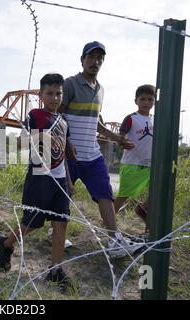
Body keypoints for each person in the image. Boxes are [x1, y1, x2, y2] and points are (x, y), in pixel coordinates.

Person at [59, 41, 143, 258]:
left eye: (100, 58)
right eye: (91, 57)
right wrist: (66, 146)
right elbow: (57, 117)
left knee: (105, 194)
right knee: (62, 196)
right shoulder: (69, 84)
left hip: (93, 154)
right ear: (82, 59)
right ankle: (56, 233)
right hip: (69, 154)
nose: (95, 62)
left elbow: (95, 122)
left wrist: (116, 138)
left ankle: (114, 240)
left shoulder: (100, 89)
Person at [0, 73, 74, 292]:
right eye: (49, 93)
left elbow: (63, 153)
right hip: (40, 177)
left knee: (61, 222)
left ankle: (55, 270)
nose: (54, 98)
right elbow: (20, 143)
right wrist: (38, 137)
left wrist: (68, 180)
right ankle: (6, 244)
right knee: (33, 222)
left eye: (58, 93)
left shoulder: (64, 120)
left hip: (59, 180)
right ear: (40, 95)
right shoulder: (35, 115)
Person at [113, 84, 156, 224]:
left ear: (154, 101)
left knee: (158, 190)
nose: (146, 102)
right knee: (124, 195)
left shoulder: (155, 119)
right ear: (136, 101)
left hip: (150, 164)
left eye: (150, 99)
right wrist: (123, 142)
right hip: (132, 163)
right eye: (142, 99)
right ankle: (109, 219)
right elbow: (121, 137)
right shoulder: (131, 118)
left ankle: (142, 210)